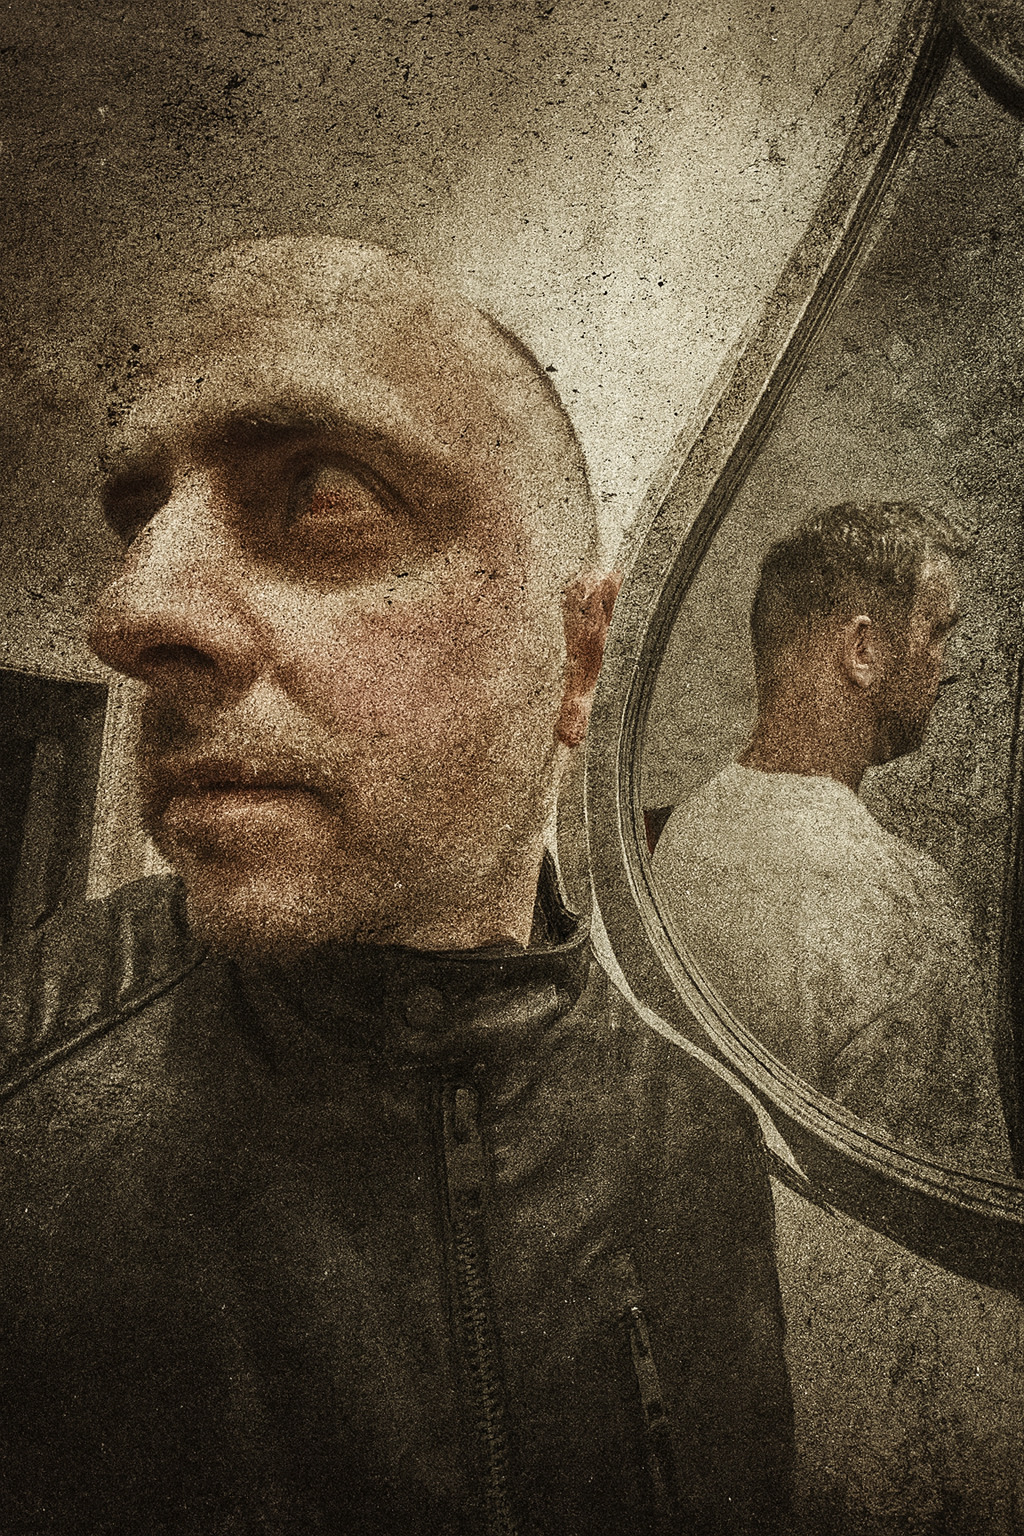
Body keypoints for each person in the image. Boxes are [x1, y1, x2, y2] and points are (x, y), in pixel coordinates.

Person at [0, 238, 793, 1534]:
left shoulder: (698, 1149)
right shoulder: (29, 1081)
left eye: (322, 492)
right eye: (140, 518)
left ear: (576, 660)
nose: (127, 611)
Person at [653, 501, 1012, 1172]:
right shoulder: (906, 906)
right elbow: (955, 1215)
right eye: (937, 632)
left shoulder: (676, 835)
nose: (948, 667)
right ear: (863, 650)